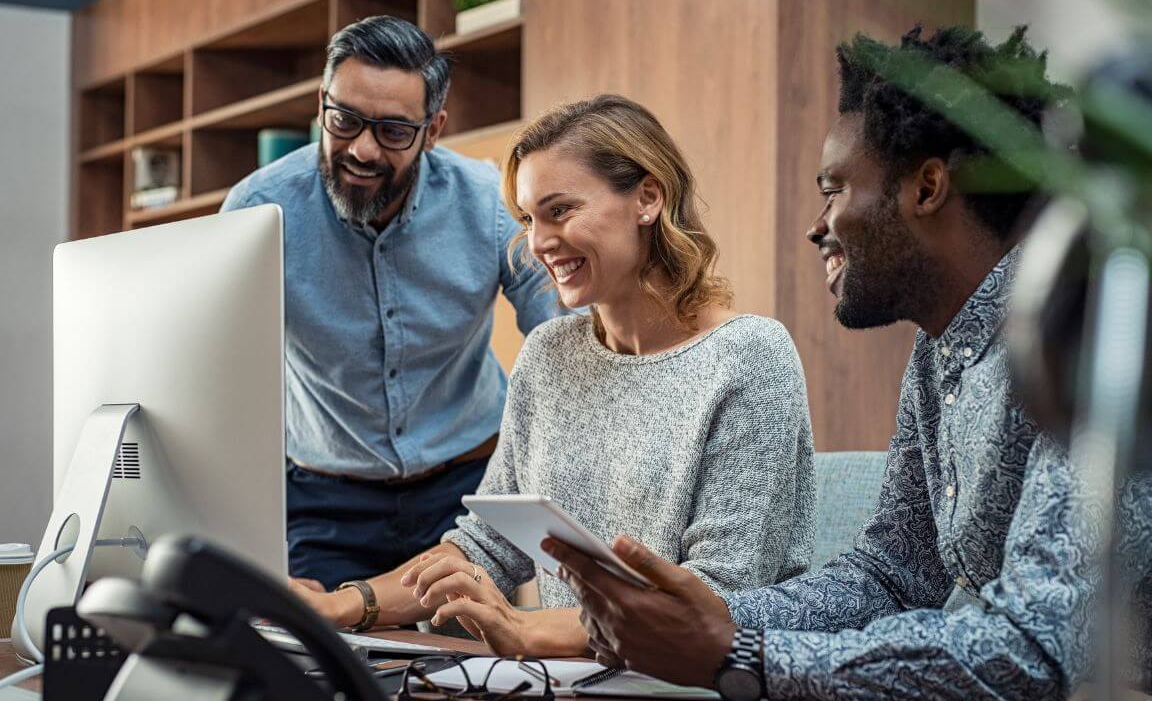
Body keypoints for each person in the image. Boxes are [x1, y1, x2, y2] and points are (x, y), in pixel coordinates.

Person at [550, 25, 1151, 701]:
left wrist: (738, 654)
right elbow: (891, 577)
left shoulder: (1093, 327)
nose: (818, 224)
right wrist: (705, 619)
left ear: (927, 187)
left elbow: (1030, 647)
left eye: (834, 189)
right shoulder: (939, 351)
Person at [289, 94, 816, 656]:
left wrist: (526, 629)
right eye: (528, 219)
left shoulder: (751, 357)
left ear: (647, 197)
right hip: (574, 685)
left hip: (702, 690)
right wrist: (345, 605)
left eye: (560, 211)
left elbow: (717, 600)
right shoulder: (547, 354)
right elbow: (484, 547)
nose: (538, 243)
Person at [220, 16, 562, 589]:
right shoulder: (258, 211)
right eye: (345, 120)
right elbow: (216, 368)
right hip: (325, 504)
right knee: (326, 665)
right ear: (321, 101)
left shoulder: (487, 205)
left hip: (468, 495)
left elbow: (563, 337)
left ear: (433, 130)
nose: (361, 149)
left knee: (467, 670)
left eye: (393, 132)